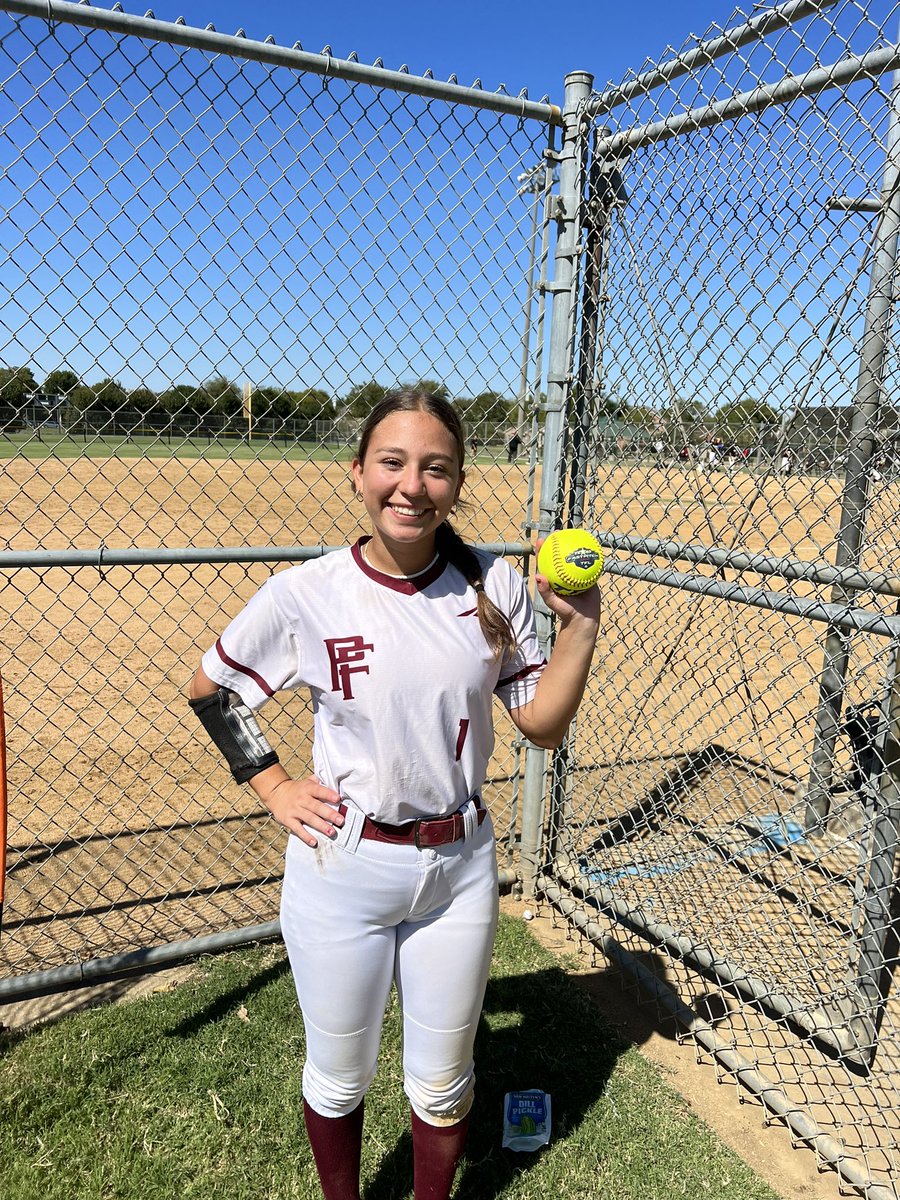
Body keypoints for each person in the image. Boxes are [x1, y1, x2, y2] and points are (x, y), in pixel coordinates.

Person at [189, 389, 601, 1200]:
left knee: (443, 1082)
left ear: (456, 483)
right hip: (345, 865)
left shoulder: (493, 584)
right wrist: (273, 786)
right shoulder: (307, 592)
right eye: (392, 462)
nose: (411, 485)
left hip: (458, 867)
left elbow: (541, 725)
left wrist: (581, 626)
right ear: (358, 474)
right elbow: (211, 688)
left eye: (435, 468)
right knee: (339, 1078)